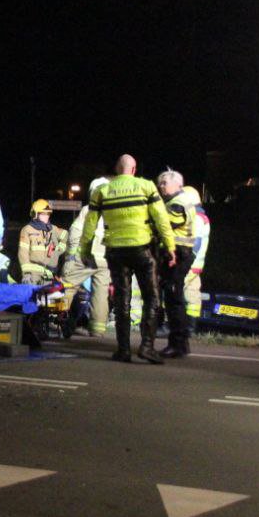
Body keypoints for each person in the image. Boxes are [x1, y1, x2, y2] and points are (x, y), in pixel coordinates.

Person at [81, 154, 175, 364]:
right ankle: (147, 347)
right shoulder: (146, 186)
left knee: (122, 300)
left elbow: (90, 224)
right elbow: (161, 219)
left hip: (115, 251)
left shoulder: (102, 191)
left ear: (116, 170)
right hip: (142, 250)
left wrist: (84, 250)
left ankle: (123, 350)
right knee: (151, 297)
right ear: (133, 170)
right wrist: (170, 247)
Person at [156, 170, 200, 358]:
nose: (161, 186)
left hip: (178, 256)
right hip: (178, 255)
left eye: (164, 183)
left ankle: (178, 344)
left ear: (177, 184)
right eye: (160, 183)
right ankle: (180, 343)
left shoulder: (177, 203)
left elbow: (163, 227)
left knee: (174, 300)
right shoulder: (177, 201)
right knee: (174, 299)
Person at [63, 177, 111, 337]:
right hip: (106, 259)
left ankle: (55, 321)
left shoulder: (88, 209)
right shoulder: (115, 211)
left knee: (67, 287)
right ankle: (97, 329)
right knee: (100, 294)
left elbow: (74, 234)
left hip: (86, 257)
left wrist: (71, 257)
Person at [18, 199, 66, 285]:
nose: (47, 216)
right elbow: (23, 252)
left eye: (48, 214)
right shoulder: (27, 229)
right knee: (33, 297)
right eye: (43, 214)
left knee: (47, 297)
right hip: (33, 274)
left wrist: (58, 250)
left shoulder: (53, 229)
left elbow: (66, 235)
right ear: (35, 214)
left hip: (49, 273)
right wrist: (26, 273)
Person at [183, 185, 211, 329]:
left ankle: (174, 325)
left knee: (174, 291)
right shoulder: (201, 217)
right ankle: (190, 327)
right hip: (195, 266)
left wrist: (185, 261)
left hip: (189, 265)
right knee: (192, 295)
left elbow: (195, 244)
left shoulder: (196, 219)